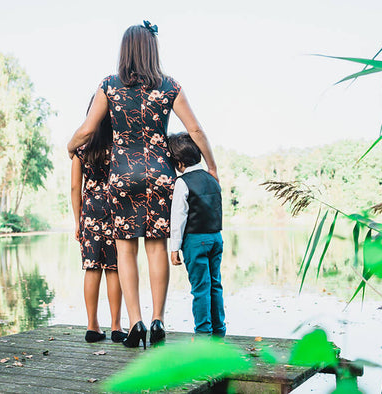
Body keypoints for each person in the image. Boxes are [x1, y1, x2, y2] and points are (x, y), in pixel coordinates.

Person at [67, 21, 218, 349]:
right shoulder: (169, 86)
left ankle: (134, 321)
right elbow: (195, 130)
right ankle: (158, 319)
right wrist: (212, 166)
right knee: (155, 247)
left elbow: (87, 129)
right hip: (160, 174)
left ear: (124, 50)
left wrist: (70, 146)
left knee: (125, 249)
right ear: (152, 50)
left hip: (122, 176)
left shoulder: (108, 86)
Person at [71, 102, 126, 344]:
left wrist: (77, 221)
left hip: (91, 211)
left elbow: (75, 187)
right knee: (114, 268)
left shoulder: (81, 149)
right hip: (116, 210)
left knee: (92, 267)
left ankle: (92, 326)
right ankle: (116, 326)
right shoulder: (120, 147)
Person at [167, 132, 225, 337]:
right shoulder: (212, 179)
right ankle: (219, 331)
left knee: (200, 288)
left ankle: (202, 335)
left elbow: (179, 217)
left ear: (180, 162)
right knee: (215, 285)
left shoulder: (183, 183)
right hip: (216, 238)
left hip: (195, 240)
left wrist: (174, 248)